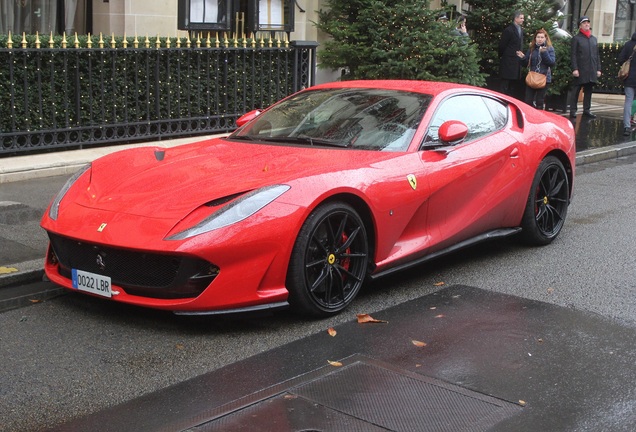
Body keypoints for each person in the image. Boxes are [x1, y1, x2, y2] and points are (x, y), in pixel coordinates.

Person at [569, 16, 602, 118]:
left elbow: (597, 55)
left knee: (589, 90)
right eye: (584, 23)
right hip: (581, 69)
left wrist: (598, 68)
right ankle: (573, 110)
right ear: (580, 26)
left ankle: (586, 110)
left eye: (588, 23)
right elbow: (573, 54)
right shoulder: (576, 38)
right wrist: (575, 68)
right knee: (576, 90)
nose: (587, 24)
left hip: (591, 68)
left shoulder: (593, 39)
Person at [522, 28, 556, 110]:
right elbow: (526, 63)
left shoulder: (549, 48)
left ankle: (539, 120)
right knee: (528, 101)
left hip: (544, 78)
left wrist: (544, 53)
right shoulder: (532, 48)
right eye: (538, 37)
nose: (540, 39)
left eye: (542, 37)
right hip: (532, 77)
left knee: (539, 101)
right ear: (535, 38)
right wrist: (522, 58)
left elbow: (551, 63)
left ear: (545, 38)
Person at [498, 11, 525, 96]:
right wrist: (503, 55)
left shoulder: (520, 30)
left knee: (513, 85)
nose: (523, 20)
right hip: (508, 60)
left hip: (517, 61)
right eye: (521, 18)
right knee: (505, 84)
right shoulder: (508, 30)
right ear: (516, 18)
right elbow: (502, 45)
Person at [617, 32, 636, 136]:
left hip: (629, 78)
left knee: (628, 102)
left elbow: (620, 59)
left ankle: (627, 126)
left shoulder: (628, 44)